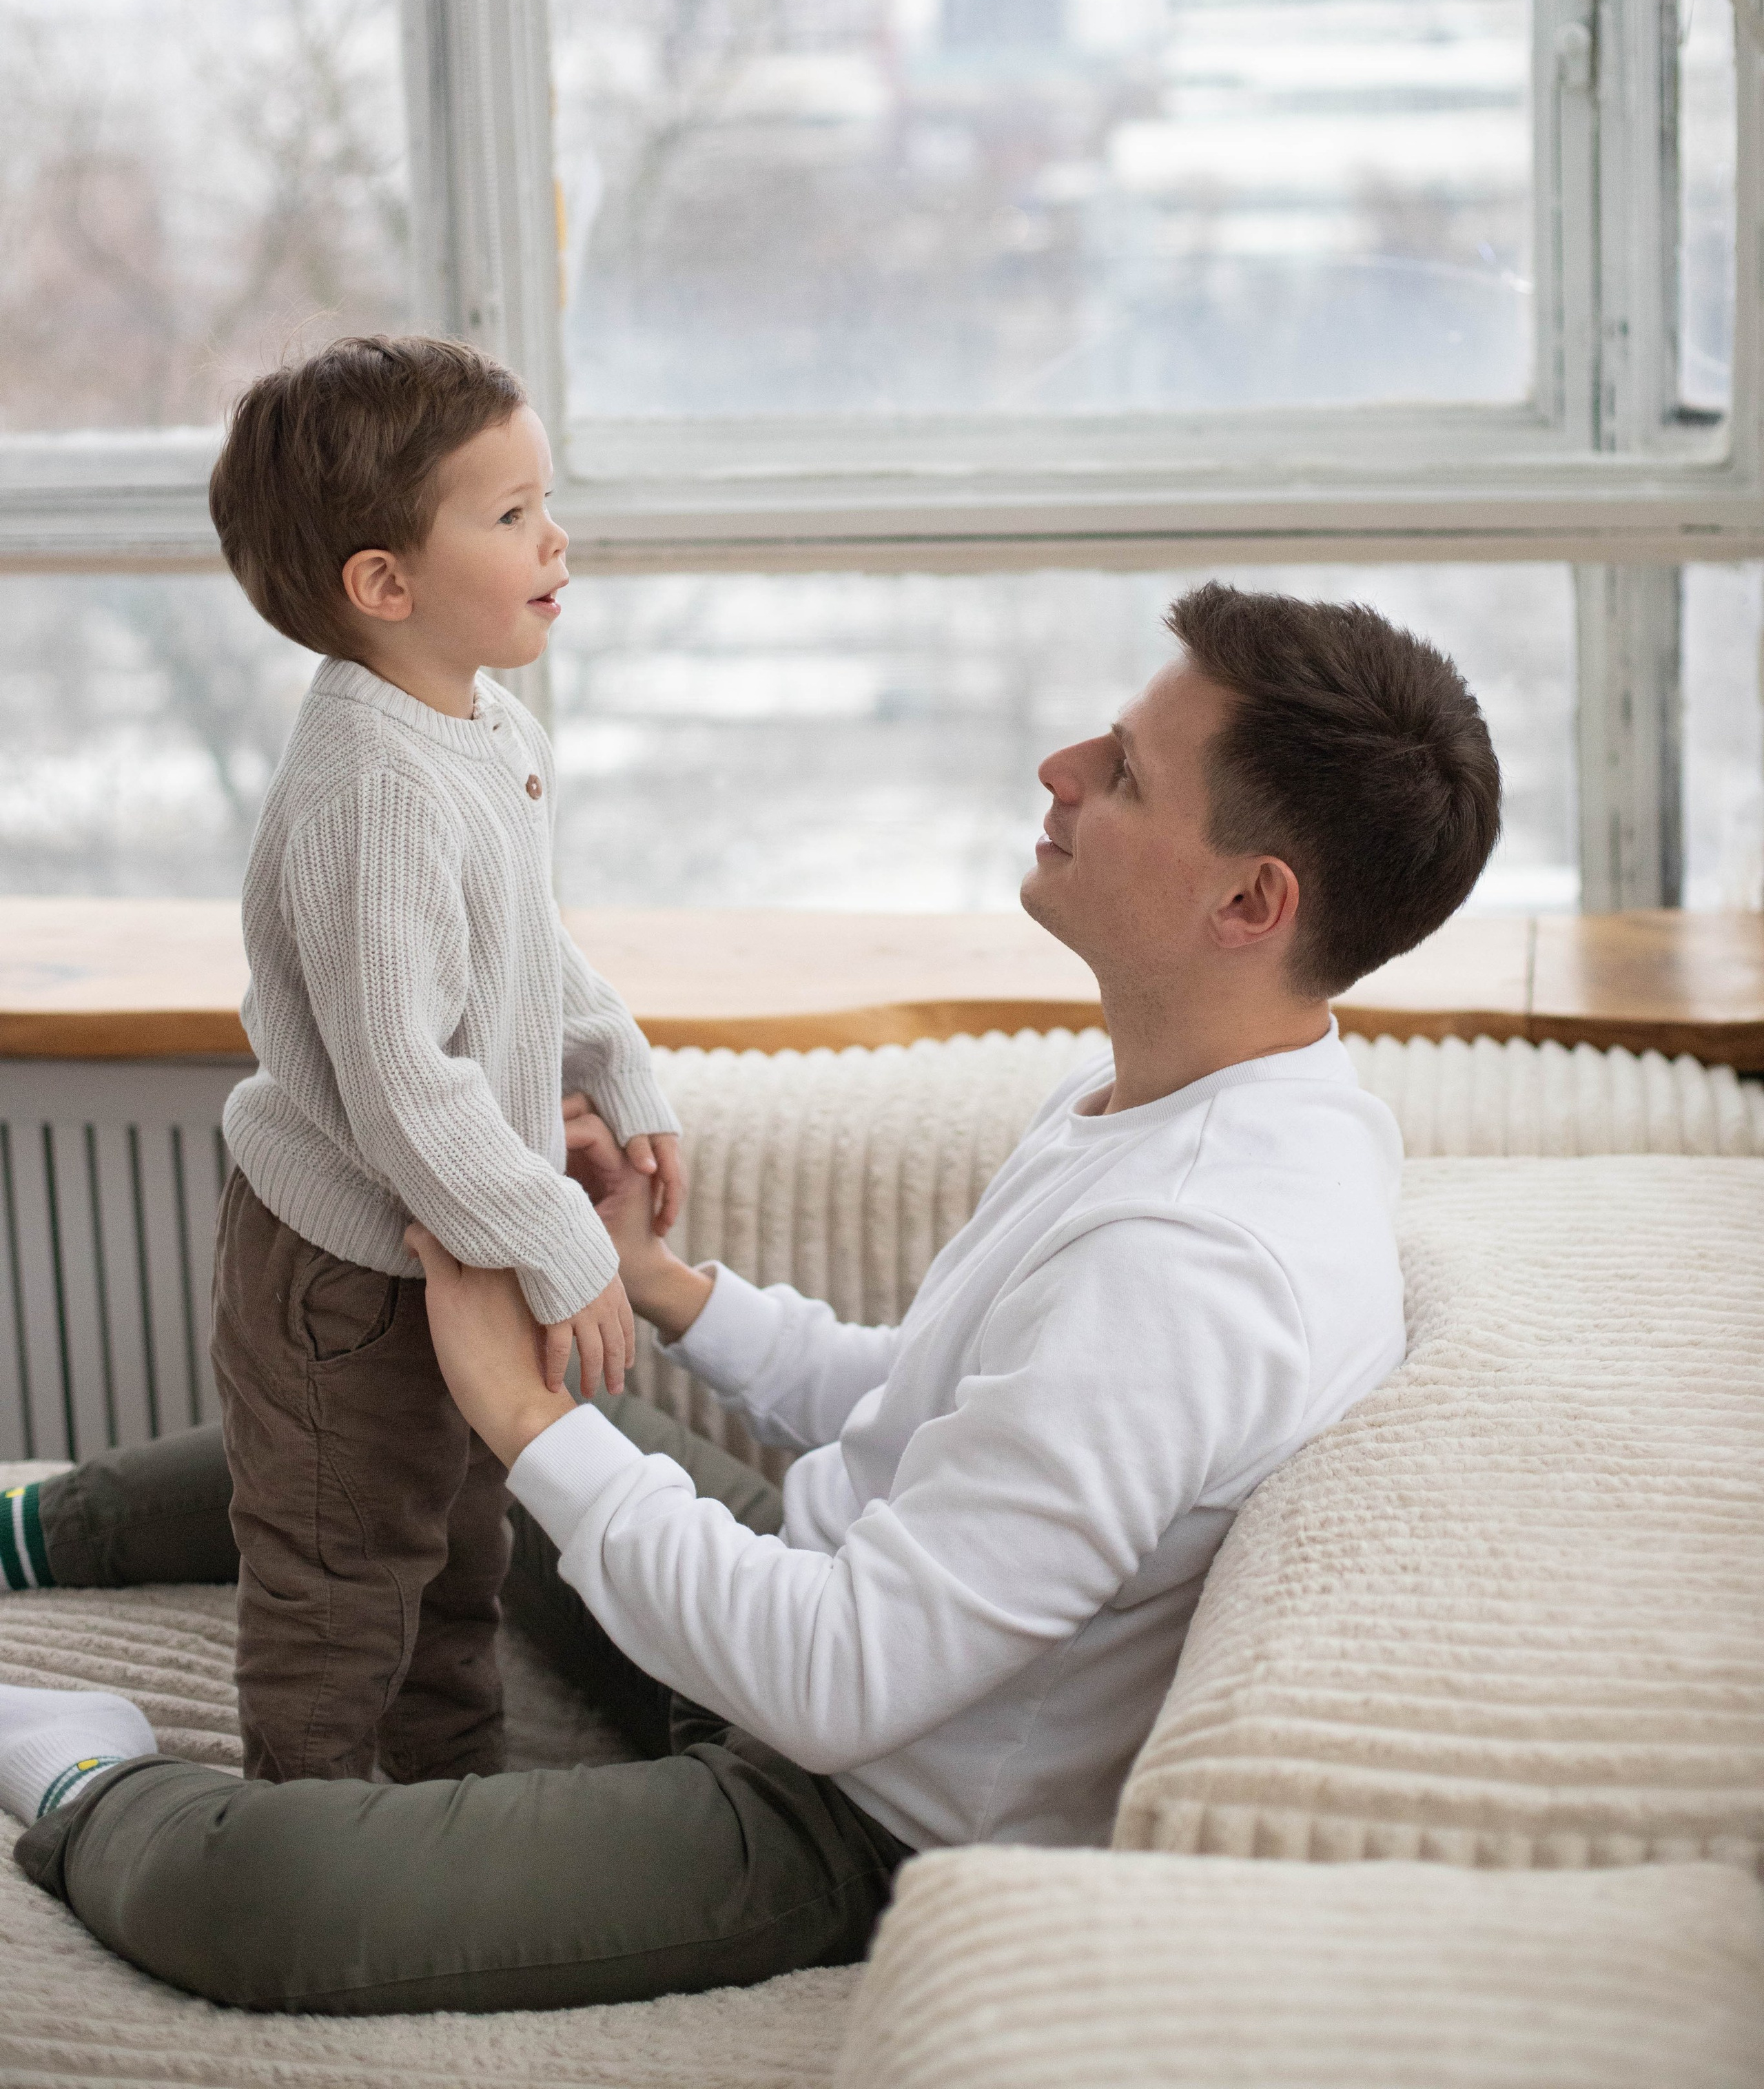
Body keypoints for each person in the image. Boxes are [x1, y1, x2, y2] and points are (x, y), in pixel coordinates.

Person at [1, 583, 1501, 2015]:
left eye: (1121, 772)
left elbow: (844, 1683)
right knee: (416, 1407)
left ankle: (81, 1763)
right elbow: (928, 1397)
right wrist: (660, 1285)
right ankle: (37, 1526)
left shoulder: (1188, 1266)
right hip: (811, 1587)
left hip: (856, 1804)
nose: (1058, 769)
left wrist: (527, 1420)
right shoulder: (1169, 1098)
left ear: (1249, 899)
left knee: (252, 1896)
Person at [153, 334, 684, 1790]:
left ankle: (450, 1806)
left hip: (452, 1241)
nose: (555, 537)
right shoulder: (374, 790)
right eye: (510, 515)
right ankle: (309, 1835)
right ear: (384, 585)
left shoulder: (480, 725)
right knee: (346, 1567)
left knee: (461, 1541)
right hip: (351, 1272)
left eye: (545, 500)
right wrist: (552, 1234)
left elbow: (524, 940)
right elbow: (402, 1085)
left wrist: (615, 1062)